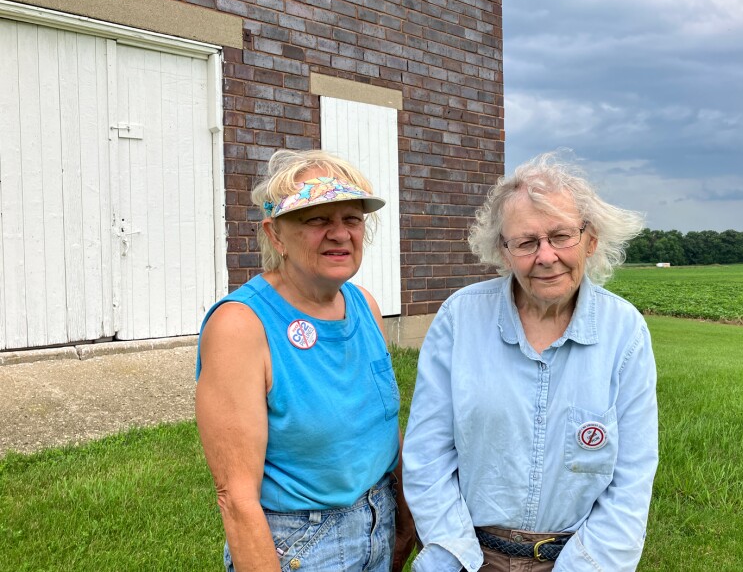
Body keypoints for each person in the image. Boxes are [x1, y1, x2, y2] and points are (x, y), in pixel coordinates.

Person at [402, 152, 659, 571]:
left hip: (580, 558)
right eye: (526, 242)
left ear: (590, 240)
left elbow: (632, 476)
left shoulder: (624, 331)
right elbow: (427, 456)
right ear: (503, 252)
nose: (545, 256)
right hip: (470, 554)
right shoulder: (460, 319)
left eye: (560, 236)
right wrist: (454, 557)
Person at [196, 149, 415, 572]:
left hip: (379, 521)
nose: (339, 234)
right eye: (317, 219)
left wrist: (404, 520)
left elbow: (383, 429)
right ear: (275, 234)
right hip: (301, 544)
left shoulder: (363, 305)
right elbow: (236, 497)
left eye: (351, 219)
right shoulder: (241, 325)